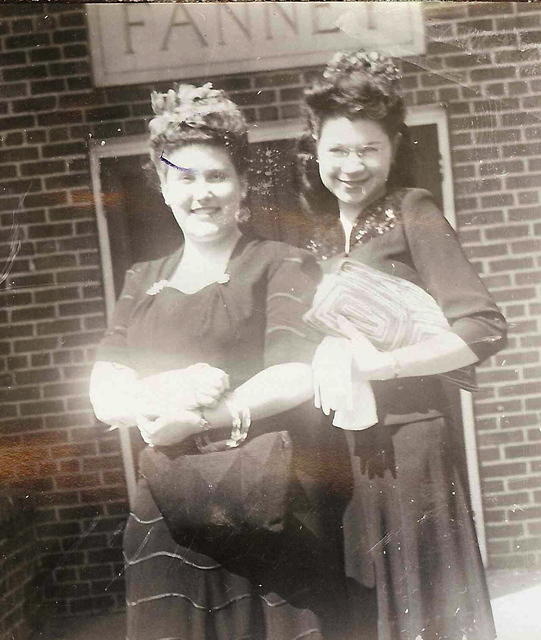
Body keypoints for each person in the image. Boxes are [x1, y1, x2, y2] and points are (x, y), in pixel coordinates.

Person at [89, 82, 354, 640]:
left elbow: (295, 370)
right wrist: (165, 391)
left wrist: (206, 417)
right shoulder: (143, 281)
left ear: (241, 187)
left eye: (217, 176)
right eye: (183, 177)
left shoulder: (280, 263)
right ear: (162, 188)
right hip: (167, 516)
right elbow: (105, 388)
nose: (201, 193)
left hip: (266, 503)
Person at [298, 50, 507, 640]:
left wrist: (383, 365)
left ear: (392, 148)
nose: (353, 165)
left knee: (424, 611)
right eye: (338, 149)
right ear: (315, 147)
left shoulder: (410, 212)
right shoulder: (322, 237)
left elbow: (484, 327)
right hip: (346, 453)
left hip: (411, 446)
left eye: (370, 148)